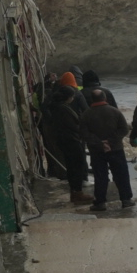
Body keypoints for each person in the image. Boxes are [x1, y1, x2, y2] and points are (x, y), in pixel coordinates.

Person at [81, 88, 135, 211]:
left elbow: (84, 133)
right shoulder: (115, 112)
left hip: (96, 150)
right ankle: (126, 200)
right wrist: (110, 141)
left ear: (92, 100)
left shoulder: (86, 114)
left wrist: (100, 143)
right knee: (121, 174)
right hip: (115, 148)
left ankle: (100, 202)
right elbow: (124, 129)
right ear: (104, 98)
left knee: (100, 176)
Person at [41, 75, 90, 204]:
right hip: (71, 140)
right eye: (72, 96)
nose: (73, 98)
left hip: (63, 140)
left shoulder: (55, 106)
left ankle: (75, 192)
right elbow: (73, 125)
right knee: (77, 165)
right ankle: (77, 192)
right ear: (68, 97)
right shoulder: (63, 109)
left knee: (71, 165)